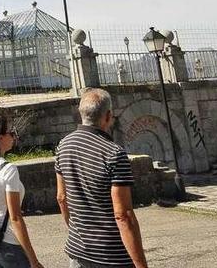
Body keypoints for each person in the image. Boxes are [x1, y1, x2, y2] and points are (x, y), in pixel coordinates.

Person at [55, 88, 148, 268]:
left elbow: (61, 197)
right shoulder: (114, 153)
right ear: (108, 116)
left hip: (77, 252)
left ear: (81, 113)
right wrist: (141, 264)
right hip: (112, 256)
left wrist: (78, 232)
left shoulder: (64, 145)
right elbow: (123, 215)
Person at [0, 115, 43, 268]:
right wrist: (33, 259)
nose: (14, 136)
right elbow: (16, 218)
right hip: (8, 242)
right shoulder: (8, 170)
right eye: (11, 133)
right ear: (0, 138)